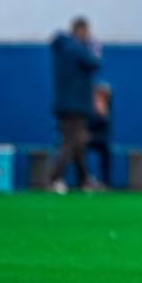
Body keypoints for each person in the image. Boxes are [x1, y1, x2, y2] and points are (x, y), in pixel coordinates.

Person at [49, 17, 101, 194]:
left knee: (78, 143)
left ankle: (84, 180)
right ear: (80, 30)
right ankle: (55, 178)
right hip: (75, 105)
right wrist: (95, 49)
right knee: (70, 142)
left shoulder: (62, 49)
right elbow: (94, 63)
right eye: (87, 32)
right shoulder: (77, 48)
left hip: (64, 104)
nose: (89, 35)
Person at [87, 80, 113, 189]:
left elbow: (103, 126)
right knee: (77, 150)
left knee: (106, 151)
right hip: (86, 139)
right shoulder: (87, 107)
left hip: (100, 140)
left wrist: (101, 112)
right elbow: (86, 124)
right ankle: (85, 179)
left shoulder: (106, 109)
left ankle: (105, 182)